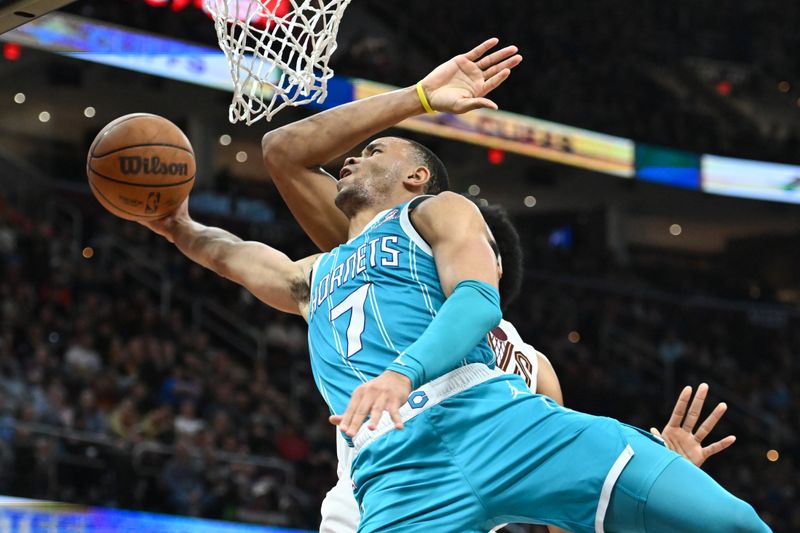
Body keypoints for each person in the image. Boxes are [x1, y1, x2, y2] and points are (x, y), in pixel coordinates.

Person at [142, 39, 770, 532]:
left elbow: (475, 299)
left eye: (375, 150)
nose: (352, 155)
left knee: (729, 522)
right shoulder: (315, 274)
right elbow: (231, 249)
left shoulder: (437, 215)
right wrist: (175, 225)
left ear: (418, 176)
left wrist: (401, 373)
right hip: (393, 467)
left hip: (491, 417)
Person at [296, 201, 735, 533]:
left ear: (493, 262)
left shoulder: (532, 365)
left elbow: (564, 510)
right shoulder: (395, 305)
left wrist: (659, 476)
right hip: (369, 501)